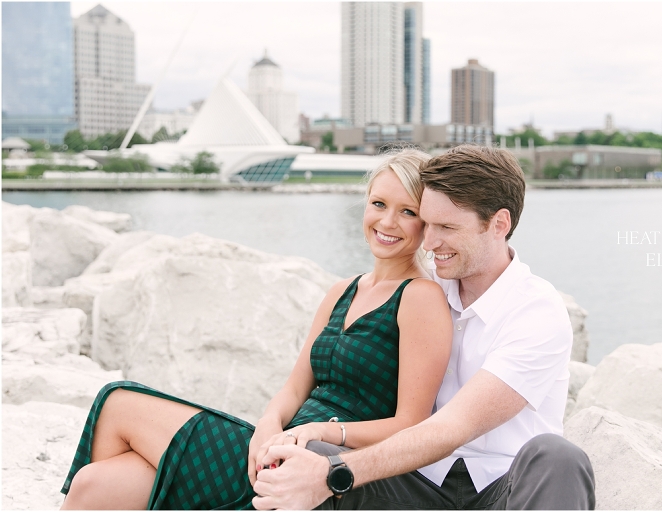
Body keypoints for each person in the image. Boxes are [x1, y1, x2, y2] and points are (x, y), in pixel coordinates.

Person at [59, 149, 454, 510]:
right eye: (379, 204)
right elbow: (296, 388)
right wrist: (267, 424)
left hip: (320, 465)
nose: (387, 221)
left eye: (407, 212)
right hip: (276, 449)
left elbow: (411, 425)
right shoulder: (343, 291)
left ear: (427, 223)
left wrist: (326, 432)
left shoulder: (419, 297)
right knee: (95, 485)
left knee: (117, 401)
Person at [252, 144, 596, 510]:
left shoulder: (536, 312)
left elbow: (453, 428)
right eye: (427, 223)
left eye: (447, 227)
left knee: (558, 456)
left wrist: (335, 472)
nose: (429, 243)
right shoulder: (422, 290)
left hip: (502, 492)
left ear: (499, 225)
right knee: (311, 456)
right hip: (419, 486)